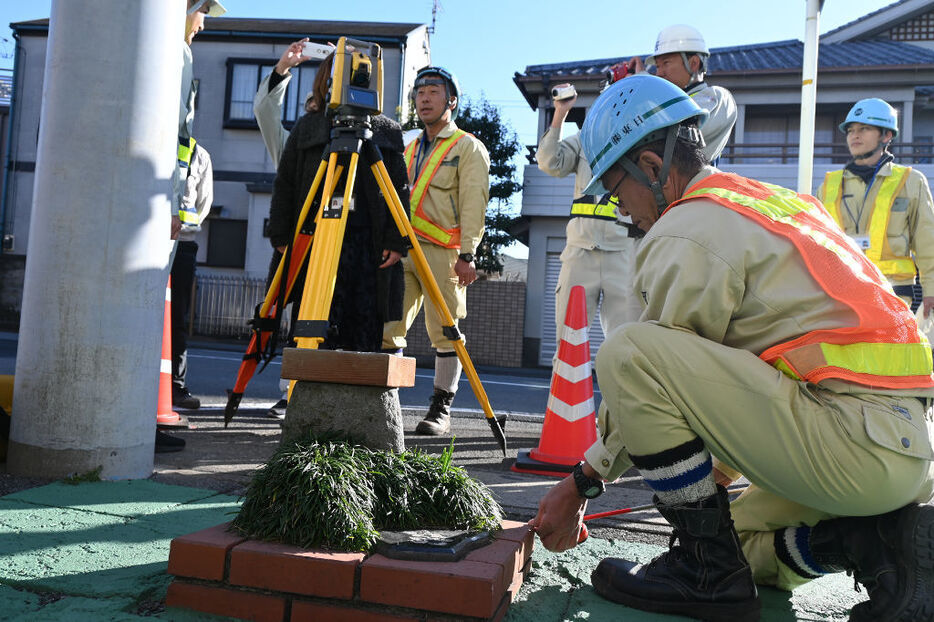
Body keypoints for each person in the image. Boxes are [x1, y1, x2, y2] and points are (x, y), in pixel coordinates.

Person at [530, 74, 934, 622]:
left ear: (651, 167)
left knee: (628, 352)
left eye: (616, 189)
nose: (621, 209)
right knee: (738, 539)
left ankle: (704, 574)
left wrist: (581, 482)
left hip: (849, 444)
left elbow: (648, 378)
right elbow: (728, 386)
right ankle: (878, 544)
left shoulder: (685, 228)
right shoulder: (775, 205)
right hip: (901, 454)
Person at [268, 52, 408, 354]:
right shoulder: (309, 127)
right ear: (325, 80)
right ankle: (299, 391)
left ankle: (357, 395)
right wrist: (281, 235)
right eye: (341, 71)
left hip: (368, 242)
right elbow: (286, 183)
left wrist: (397, 241)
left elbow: (399, 189)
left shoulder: (386, 131)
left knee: (364, 323)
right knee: (312, 316)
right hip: (314, 237)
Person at [380, 66, 491, 436]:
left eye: (433, 91)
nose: (424, 98)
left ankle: (441, 408)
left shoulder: (467, 147)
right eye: (419, 92)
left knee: (445, 331)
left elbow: (475, 203)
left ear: (451, 101)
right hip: (404, 249)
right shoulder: (409, 147)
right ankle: (384, 404)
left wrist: (469, 254)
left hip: (445, 253)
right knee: (389, 326)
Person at [157, 0, 226, 453]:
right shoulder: (171, 53)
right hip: (160, 213)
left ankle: (159, 406)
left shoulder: (176, 54)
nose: (202, 23)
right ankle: (148, 414)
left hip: (168, 217)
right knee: (155, 318)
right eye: (202, 11)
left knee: (170, 319)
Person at [816, 98, 934, 318]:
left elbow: (928, 242)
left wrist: (932, 290)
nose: (855, 135)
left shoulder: (911, 181)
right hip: (838, 296)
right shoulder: (828, 186)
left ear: (887, 135)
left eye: (864, 128)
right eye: (850, 130)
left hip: (893, 295)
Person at [252, 38, 319, 420]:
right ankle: (289, 390)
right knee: (286, 314)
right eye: (311, 105)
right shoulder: (292, 143)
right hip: (294, 242)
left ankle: (309, 389)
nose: (314, 111)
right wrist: (282, 70)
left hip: (335, 243)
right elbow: (264, 112)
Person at [170, 139, 213, 411]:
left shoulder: (199, 154)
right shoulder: (154, 136)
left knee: (176, 318)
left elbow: (204, 203)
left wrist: (182, 224)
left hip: (182, 242)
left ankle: (175, 385)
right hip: (149, 239)